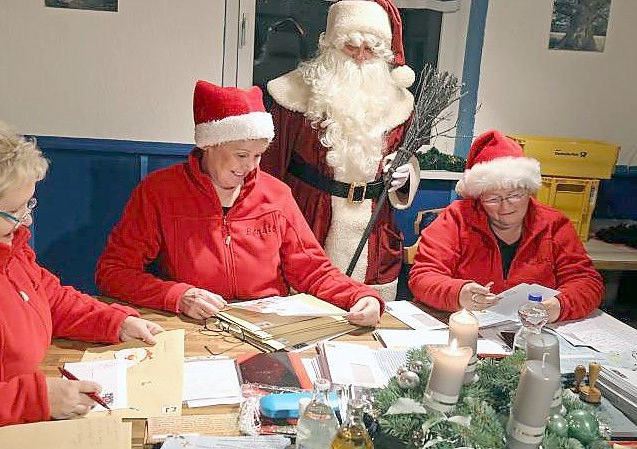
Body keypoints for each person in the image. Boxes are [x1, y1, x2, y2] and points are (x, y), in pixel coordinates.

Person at [96, 81, 383, 326]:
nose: (250, 166)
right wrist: (176, 296)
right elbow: (113, 272)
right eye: (241, 155)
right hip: (193, 327)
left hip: (266, 328)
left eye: (258, 156)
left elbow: (313, 269)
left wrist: (360, 295)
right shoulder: (158, 192)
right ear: (209, 144)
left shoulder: (276, 195)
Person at [0, 112, 164, 441]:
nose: (25, 221)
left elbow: (49, 297)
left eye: (28, 205)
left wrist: (113, 321)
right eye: (12, 211)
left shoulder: (6, 248)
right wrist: (36, 399)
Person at [262, 0, 420, 302]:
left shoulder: (400, 104)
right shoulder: (292, 96)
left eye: (370, 49)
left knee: (368, 321)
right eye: (351, 47)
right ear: (331, 44)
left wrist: (405, 174)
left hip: (373, 233)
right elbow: (270, 170)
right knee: (308, 317)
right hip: (310, 226)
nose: (361, 57)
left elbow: (407, 155)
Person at [408, 130, 604, 322]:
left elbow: (587, 282)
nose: (505, 206)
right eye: (493, 198)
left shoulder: (553, 224)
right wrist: (460, 293)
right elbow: (423, 276)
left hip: (532, 331)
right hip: (465, 325)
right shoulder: (455, 218)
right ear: (478, 197)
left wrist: (557, 306)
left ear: (529, 191)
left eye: (515, 195)